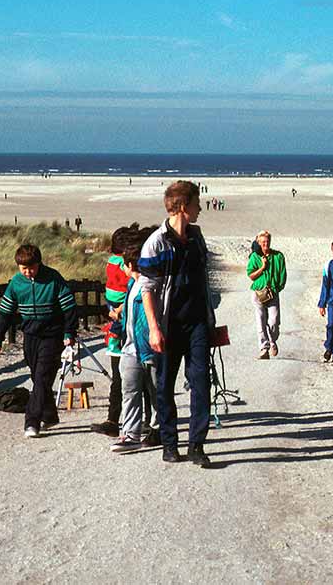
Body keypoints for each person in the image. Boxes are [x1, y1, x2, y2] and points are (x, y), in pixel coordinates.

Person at [137, 180, 215, 467]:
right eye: (197, 204)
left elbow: (203, 281)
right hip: (168, 324)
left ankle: (197, 445)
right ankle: (169, 444)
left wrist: (209, 319)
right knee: (165, 386)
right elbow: (147, 288)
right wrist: (154, 328)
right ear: (183, 207)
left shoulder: (196, 237)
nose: (200, 209)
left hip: (196, 324)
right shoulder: (156, 243)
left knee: (201, 383)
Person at [0, 244, 78, 438]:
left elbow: (70, 308)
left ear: (39, 264)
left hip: (52, 334)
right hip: (30, 335)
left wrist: (68, 333)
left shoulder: (53, 278)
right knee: (37, 377)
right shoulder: (16, 283)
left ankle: (32, 422)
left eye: (32, 268)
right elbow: (5, 312)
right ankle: (50, 415)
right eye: (24, 269)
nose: (28, 272)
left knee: (41, 377)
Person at [111, 226, 161, 452]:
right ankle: (130, 434)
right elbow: (129, 315)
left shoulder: (150, 285)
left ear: (130, 265)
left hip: (150, 349)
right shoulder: (132, 285)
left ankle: (160, 430)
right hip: (130, 349)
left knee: (157, 393)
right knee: (129, 391)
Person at [90, 224, 137, 438]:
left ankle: (130, 421)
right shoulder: (128, 268)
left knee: (130, 376)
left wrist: (116, 309)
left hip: (126, 327)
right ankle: (115, 419)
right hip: (119, 322)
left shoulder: (134, 273)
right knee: (120, 375)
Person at [247, 230, 287, 359]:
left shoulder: (278, 256)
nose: (266, 244)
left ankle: (272, 340)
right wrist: (262, 268)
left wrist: (276, 288)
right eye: (263, 242)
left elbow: (282, 275)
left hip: (272, 293)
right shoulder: (254, 257)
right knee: (260, 320)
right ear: (258, 242)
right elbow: (251, 275)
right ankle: (264, 349)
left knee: (274, 321)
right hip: (258, 292)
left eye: (268, 241)